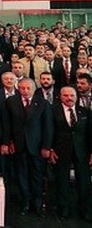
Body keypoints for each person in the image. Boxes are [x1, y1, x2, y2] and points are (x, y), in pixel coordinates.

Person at [1, 77, 53, 217]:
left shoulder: (43, 103)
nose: (25, 91)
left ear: (34, 88)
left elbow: (48, 127)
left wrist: (46, 147)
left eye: (28, 88)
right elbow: (7, 125)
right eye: (22, 88)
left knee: (37, 176)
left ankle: (37, 204)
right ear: (18, 88)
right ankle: (25, 202)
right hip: (18, 146)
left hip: (37, 147)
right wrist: (8, 142)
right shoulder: (11, 102)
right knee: (21, 176)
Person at [49, 86, 91, 221]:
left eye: (72, 95)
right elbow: (49, 131)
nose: (69, 98)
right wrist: (50, 149)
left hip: (82, 152)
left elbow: (90, 134)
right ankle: (64, 209)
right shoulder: (53, 111)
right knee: (62, 181)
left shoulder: (84, 112)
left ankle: (85, 210)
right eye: (66, 95)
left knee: (84, 182)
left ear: (76, 97)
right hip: (61, 151)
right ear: (60, 97)